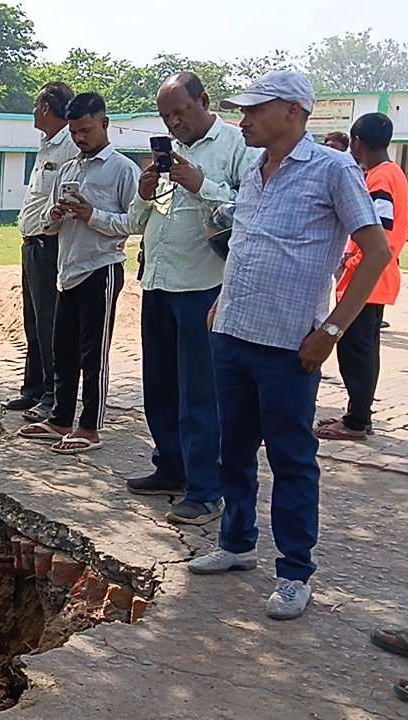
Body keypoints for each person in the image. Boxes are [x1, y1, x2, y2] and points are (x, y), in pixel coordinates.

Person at [187, 71, 391, 621]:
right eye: (242, 110)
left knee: (291, 459)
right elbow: (249, 242)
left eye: (255, 110)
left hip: (289, 345)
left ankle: (295, 572)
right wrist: (223, 300)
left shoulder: (334, 169)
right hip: (233, 332)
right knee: (233, 450)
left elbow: (376, 253)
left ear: (294, 111)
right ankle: (236, 544)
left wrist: (331, 332)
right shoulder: (254, 169)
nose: (244, 120)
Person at [126, 72, 260, 525]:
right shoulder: (167, 155)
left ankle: (206, 490)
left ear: (204, 100)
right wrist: (144, 193)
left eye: (180, 112)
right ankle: (171, 467)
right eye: (166, 116)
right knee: (160, 385)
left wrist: (202, 184)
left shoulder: (237, 146)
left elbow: (250, 209)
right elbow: (137, 220)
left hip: (204, 286)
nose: (174, 123)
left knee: (201, 392)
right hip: (159, 281)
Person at [17, 92, 141, 454]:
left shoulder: (122, 169)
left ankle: (89, 428)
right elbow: (46, 221)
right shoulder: (69, 168)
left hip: (101, 268)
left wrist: (92, 215)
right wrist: (54, 215)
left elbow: (136, 222)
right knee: (64, 350)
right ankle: (60, 419)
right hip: (67, 268)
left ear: (104, 123)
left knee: (93, 354)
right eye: (74, 132)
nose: (80, 138)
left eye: (86, 130)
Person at [316, 113, 408, 440]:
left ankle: (356, 421)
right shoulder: (395, 174)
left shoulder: (379, 178)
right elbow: (405, 221)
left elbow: (380, 232)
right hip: (380, 275)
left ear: (356, 142)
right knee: (366, 350)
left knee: (355, 352)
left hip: (366, 276)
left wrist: (353, 259)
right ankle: (359, 414)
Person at [4, 82, 78, 425]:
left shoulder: (69, 146)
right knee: (33, 321)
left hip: (51, 245)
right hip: (32, 243)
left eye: (36, 106)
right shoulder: (46, 144)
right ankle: (33, 387)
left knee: (50, 324)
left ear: (46, 108)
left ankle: (52, 395)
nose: (33, 112)